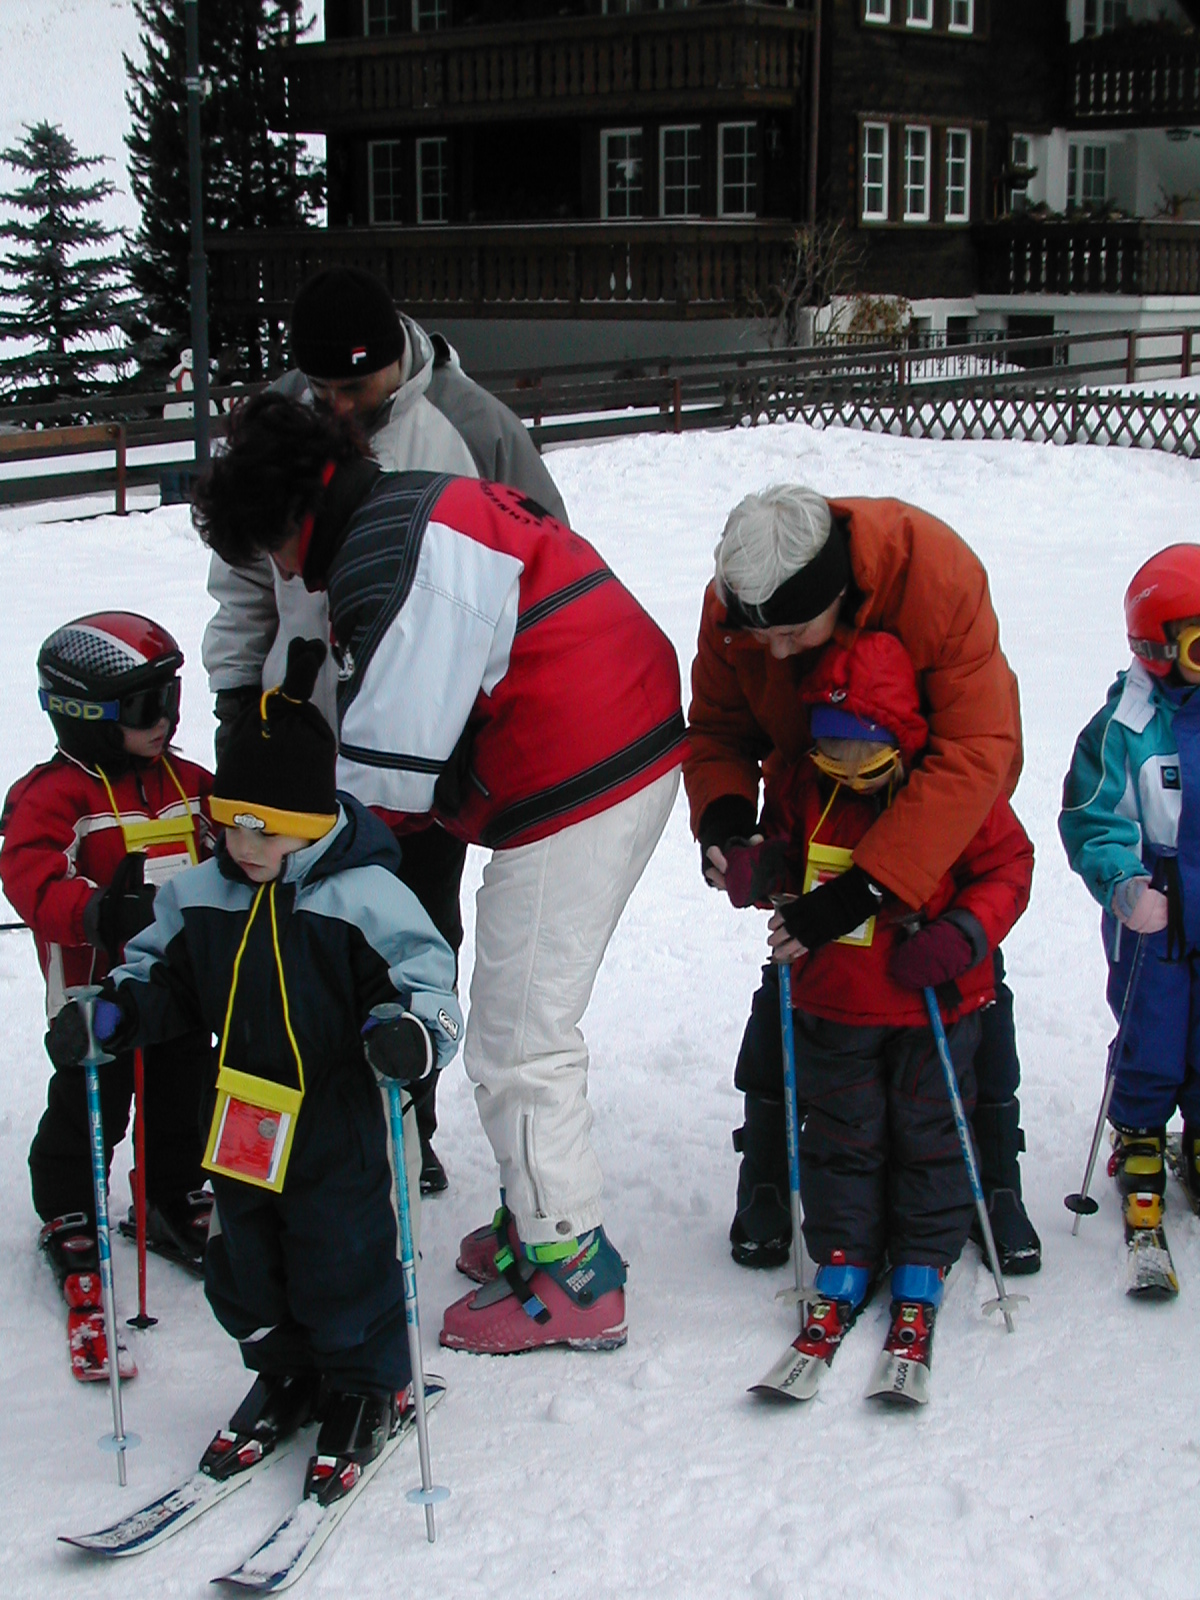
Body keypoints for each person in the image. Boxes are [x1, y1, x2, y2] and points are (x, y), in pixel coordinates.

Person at [191, 392, 686, 1356]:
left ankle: (574, 1269)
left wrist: (275, 829)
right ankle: (535, 1210)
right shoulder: (409, 501)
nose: (277, 574)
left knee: (517, 1037)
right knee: (518, 1025)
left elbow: (389, 778)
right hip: (608, 726)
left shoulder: (391, 557)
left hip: (584, 767)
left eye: (264, 553)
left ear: (289, 525)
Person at [47, 638, 463, 1492]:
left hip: (338, 1118)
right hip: (241, 1113)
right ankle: (284, 1369)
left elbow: (428, 984)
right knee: (248, 1259)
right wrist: (115, 1015)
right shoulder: (200, 895)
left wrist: (410, 1037)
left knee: (344, 1254)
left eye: (263, 831)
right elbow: (158, 975)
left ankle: (363, 1382)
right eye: (230, 823)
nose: (242, 845)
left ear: (307, 826)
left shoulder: (362, 898)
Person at [203, 265, 569, 1197]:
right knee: (293, 929)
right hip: (303, 733)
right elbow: (244, 579)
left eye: (353, 390)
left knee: (412, 928)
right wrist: (240, 702)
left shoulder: (474, 425)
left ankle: (409, 1107)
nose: (336, 405)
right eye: (319, 388)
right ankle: (305, 1109)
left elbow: (541, 556)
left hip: (429, 744)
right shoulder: (277, 430)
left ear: (393, 362)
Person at [685, 484, 1042, 1276]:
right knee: (803, 998)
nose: (775, 652)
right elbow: (717, 725)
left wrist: (875, 886)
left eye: (792, 633)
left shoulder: (934, 576)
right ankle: (771, 1169)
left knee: (966, 996)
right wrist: (727, 821)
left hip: (938, 811)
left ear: (840, 596)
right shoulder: (737, 602)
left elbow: (980, 746)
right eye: (760, 634)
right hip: (813, 806)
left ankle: (993, 1172)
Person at [724, 631, 1033, 1374]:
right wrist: (759, 864)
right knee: (842, 1136)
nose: (852, 775)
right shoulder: (806, 781)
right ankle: (845, 1254)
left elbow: (1008, 869)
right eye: (835, 757)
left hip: (933, 1004)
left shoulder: (949, 785)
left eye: (867, 757)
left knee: (929, 1132)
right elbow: (784, 849)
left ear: (902, 738)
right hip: (834, 1005)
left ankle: (924, 1257)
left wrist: (964, 933)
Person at [0, 612, 215, 1281]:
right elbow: (29, 875)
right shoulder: (53, 796)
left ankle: (168, 1195)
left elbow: (229, 847)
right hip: (99, 996)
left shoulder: (189, 783)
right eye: (148, 706)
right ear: (85, 714)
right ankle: (68, 1205)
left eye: (171, 702)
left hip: (178, 987)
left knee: (183, 1095)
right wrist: (98, 910)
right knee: (92, 1101)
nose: (167, 721)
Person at [1060, 544, 1200, 1248]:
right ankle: (1141, 1129)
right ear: (1157, 648)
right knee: (1155, 1021)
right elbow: (1093, 813)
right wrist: (1123, 881)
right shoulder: (1127, 725)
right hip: (1160, 902)